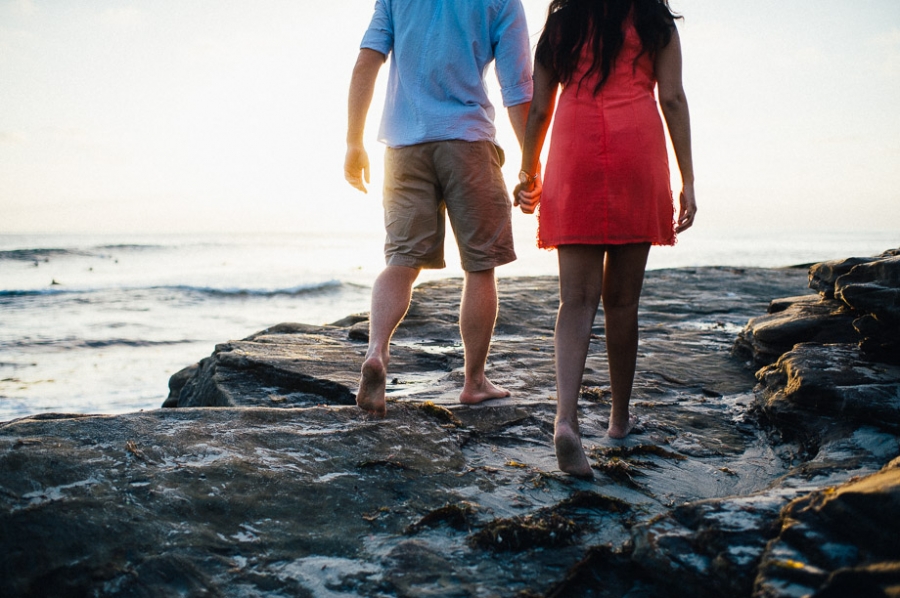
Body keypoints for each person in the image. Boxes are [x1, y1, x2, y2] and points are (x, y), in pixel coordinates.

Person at [515, 0, 697, 476]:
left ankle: (565, 420)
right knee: (622, 302)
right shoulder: (654, 21)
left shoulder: (562, 25)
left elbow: (540, 108)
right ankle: (618, 420)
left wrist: (528, 171)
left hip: (574, 153)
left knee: (575, 300)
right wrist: (688, 180)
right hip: (636, 149)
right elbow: (672, 99)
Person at [344, 0, 534, 417]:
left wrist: (354, 141)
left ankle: (376, 350)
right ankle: (474, 382)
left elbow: (366, 63)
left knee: (400, 261)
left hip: (403, 146)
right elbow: (518, 89)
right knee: (480, 266)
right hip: (468, 142)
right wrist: (531, 165)